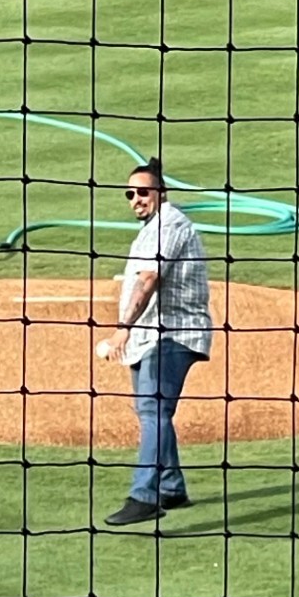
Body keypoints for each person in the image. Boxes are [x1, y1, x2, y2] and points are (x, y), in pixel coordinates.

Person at [96, 160, 214, 527]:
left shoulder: (170, 225)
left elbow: (148, 281)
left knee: (153, 410)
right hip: (151, 336)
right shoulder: (152, 228)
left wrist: (122, 328)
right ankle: (171, 486)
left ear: (161, 192)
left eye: (143, 191)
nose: (136, 199)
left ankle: (144, 496)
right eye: (130, 193)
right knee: (151, 410)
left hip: (172, 334)